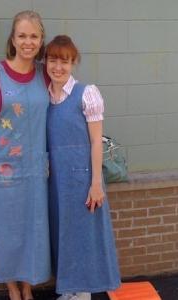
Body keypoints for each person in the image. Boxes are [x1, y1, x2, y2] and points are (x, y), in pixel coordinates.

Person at [0, 11, 51, 300]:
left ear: (41, 41)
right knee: (5, 229)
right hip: (0, 167)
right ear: (12, 39)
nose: (27, 42)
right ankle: (12, 287)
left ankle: (28, 284)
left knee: (34, 226)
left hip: (34, 167)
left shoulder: (46, 72)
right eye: (22, 35)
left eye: (34, 36)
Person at [45, 35, 120, 300]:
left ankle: (82, 292)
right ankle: (69, 289)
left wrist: (96, 184)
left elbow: (96, 143)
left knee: (84, 236)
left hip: (83, 180)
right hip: (56, 182)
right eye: (52, 60)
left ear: (73, 63)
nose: (58, 67)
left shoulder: (86, 93)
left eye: (64, 61)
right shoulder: (44, 97)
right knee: (64, 235)